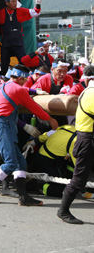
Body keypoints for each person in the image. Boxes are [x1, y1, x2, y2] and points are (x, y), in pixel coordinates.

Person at [0, 65, 58, 206]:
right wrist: (51, 120)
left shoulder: (0, 86)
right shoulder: (17, 89)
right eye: (26, 79)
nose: (27, 81)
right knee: (10, 163)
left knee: (20, 162)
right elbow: (33, 107)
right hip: (3, 125)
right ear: (20, 78)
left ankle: (23, 196)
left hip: (1, 124)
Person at [57, 65, 94, 224]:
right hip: (87, 140)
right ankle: (63, 210)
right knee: (79, 178)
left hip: (88, 139)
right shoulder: (91, 93)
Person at [0, 0, 42, 75]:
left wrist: (38, 4)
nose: (15, 4)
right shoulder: (1, 12)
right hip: (6, 43)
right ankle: (2, 79)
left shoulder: (20, 11)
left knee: (23, 61)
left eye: (16, 1)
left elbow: (35, 12)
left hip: (18, 42)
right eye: (12, 2)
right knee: (4, 64)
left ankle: (25, 76)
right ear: (7, 2)